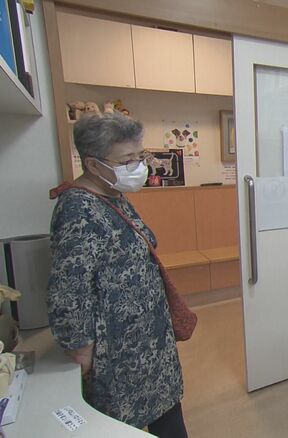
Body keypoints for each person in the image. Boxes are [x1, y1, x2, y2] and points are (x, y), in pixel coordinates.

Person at [47, 113, 188, 438]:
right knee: (120, 426)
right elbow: (68, 290)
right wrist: (80, 349)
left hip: (148, 343)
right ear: (93, 165)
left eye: (140, 156)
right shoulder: (77, 210)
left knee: (168, 415)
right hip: (117, 353)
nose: (138, 167)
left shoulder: (113, 196)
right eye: (127, 160)